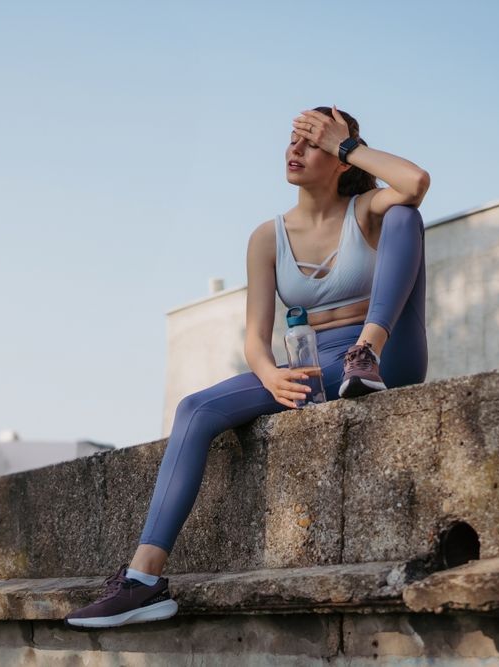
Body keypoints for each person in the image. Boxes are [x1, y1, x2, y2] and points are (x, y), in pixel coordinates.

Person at [64, 104, 430, 629]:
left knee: (405, 214)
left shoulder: (369, 209)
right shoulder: (268, 237)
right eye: (295, 139)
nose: (296, 150)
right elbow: (257, 339)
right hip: (314, 364)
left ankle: (365, 351)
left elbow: (415, 182)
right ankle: (143, 581)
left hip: (389, 351)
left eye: (314, 142)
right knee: (195, 409)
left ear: (343, 159)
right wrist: (270, 375)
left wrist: (343, 140)